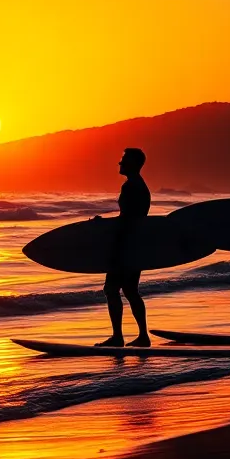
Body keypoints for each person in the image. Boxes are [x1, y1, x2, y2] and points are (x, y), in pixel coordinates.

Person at [97, 148, 151, 347]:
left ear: (134, 164)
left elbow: (127, 221)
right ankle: (143, 336)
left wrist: (108, 235)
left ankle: (118, 337)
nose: (120, 163)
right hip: (136, 245)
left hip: (125, 246)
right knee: (130, 290)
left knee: (111, 289)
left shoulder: (131, 186)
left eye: (124, 160)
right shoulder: (139, 185)